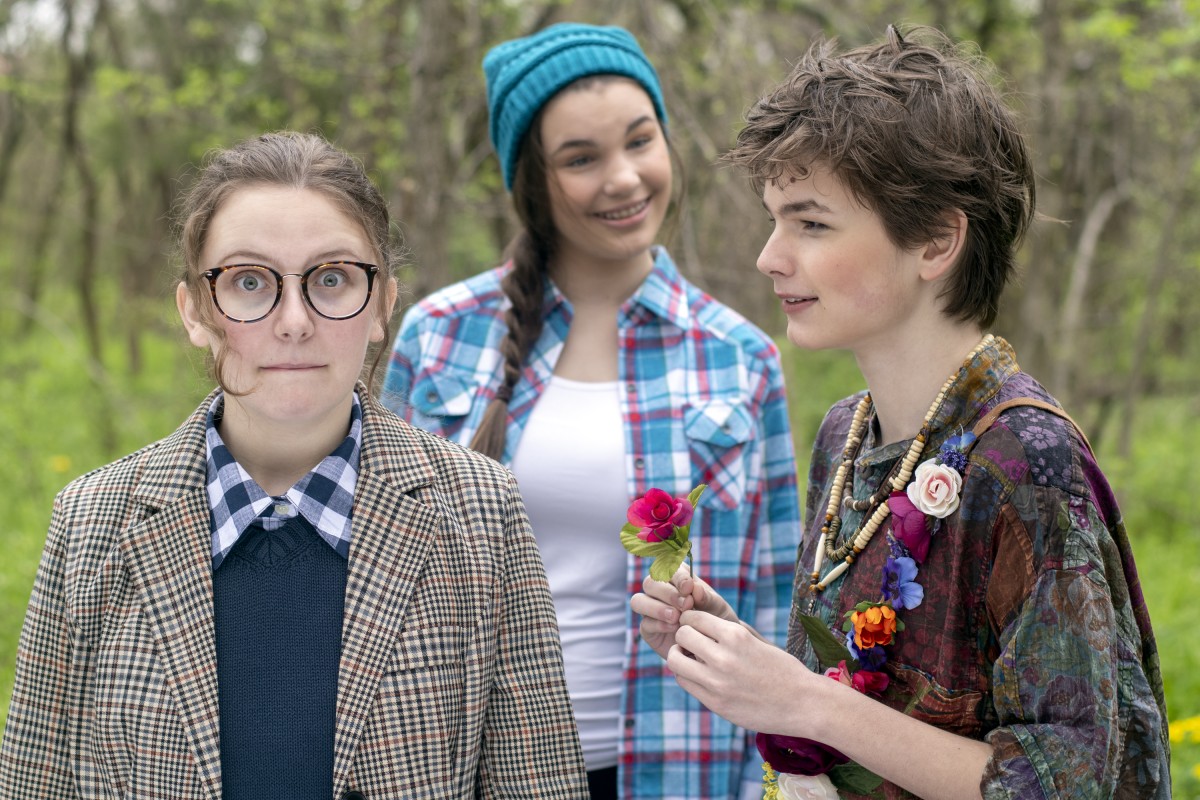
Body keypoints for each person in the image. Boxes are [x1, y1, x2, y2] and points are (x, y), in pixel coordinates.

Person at [632, 26, 1170, 800]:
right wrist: (739, 654)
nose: (769, 256)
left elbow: (1066, 782)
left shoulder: (1025, 460)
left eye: (810, 222)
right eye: (774, 218)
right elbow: (862, 697)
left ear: (935, 241)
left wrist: (804, 701)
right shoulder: (845, 435)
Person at [0, 131, 589, 799]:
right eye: (250, 282)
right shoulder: (91, 524)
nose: (293, 321)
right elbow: (34, 781)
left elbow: (537, 785)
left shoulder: (483, 513)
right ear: (194, 309)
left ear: (383, 305)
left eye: (332, 278)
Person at [383, 22, 801, 800]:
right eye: (581, 158)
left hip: (681, 774)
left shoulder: (741, 359)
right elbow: (377, 585)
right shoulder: (438, 338)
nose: (623, 178)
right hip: (471, 770)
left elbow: (775, 607)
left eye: (640, 142)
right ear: (532, 182)